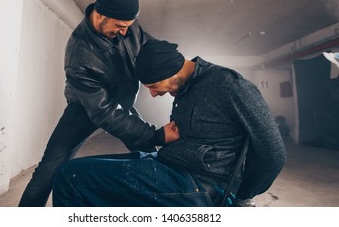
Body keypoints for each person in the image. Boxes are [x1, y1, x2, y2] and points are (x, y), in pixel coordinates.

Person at [52, 40, 287, 207]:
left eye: (154, 87)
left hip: (200, 182)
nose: (154, 94)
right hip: (167, 163)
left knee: (70, 178)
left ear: (172, 73)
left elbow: (273, 152)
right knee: (73, 170)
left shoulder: (231, 87)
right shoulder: (186, 86)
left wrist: (244, 198)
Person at [18, 0, 179, 207]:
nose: (125, 32)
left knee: (150, 156)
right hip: (84, 109)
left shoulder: (127, 26)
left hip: (121, 104)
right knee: (48, 171)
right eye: (120, 26)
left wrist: (176, 64)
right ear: (101, 14)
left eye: (129, 25)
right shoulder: (79, 54)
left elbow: (150, 49)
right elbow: (104, 113)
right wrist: (157, 134)